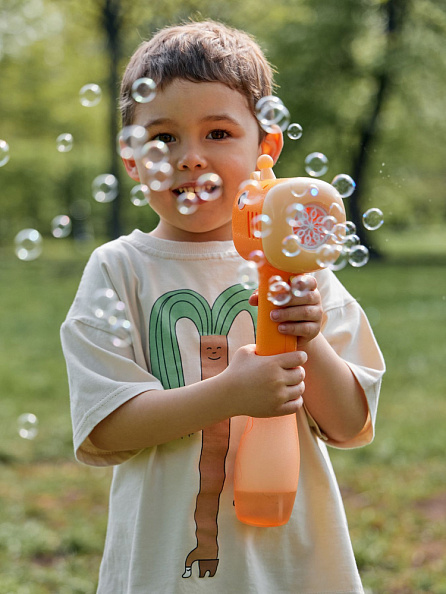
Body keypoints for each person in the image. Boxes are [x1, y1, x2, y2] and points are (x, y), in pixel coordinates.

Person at [61, 20, 385, 594]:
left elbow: (351, 421)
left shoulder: (296, 263)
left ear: (266, 148)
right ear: (131, 158)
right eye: (163, 137)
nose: (189, 158)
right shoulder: (120, 269)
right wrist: (231, 393)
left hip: (293, 563)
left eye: (217, 133)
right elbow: (106, 430)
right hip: (165, 567)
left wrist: (306, 337)